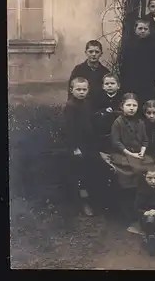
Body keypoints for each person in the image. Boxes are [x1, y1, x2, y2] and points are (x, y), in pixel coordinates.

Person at [110, 93, 154, 225]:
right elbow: (116, 142)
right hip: (122, 154)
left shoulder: (140, 122)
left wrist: (142, 150)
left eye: (134, 105)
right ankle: (127, 211)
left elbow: (145, 140)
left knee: (150, 167)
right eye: (128, 105)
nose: (131, 108)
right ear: (122, 106)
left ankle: (142, 207)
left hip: (137, 153)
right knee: (129, 172)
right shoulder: (118, 122)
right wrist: (130, 153)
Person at [64, 77, 97, 216]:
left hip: (88, 143)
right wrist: (74, 147)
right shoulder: (70, 106)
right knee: (80, 174)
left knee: (90, 171)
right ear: (71, 90)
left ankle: (94, 198)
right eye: (78, 89)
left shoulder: (86, 103)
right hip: (77, 145)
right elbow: (69, 129)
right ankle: (84, 202)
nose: (81, 92)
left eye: (84, 89)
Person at [119, 19, 155, 102]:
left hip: (148, 82)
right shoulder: (128, 45)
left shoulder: (154, 46)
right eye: (140, 28)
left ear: (149, 31)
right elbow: (125, 65)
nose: (143, 31)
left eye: (145, 29)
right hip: (131, 81)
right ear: (135, 29)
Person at [92, 73, 123, 153]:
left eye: (112, 83)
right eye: (107, 84)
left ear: (118, 86)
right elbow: (94, 113)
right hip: (104, 131)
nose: (109, 86)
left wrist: (115, 112)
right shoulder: (98, 98)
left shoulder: (122, 98)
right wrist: (103, 111)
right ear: (103, 86)